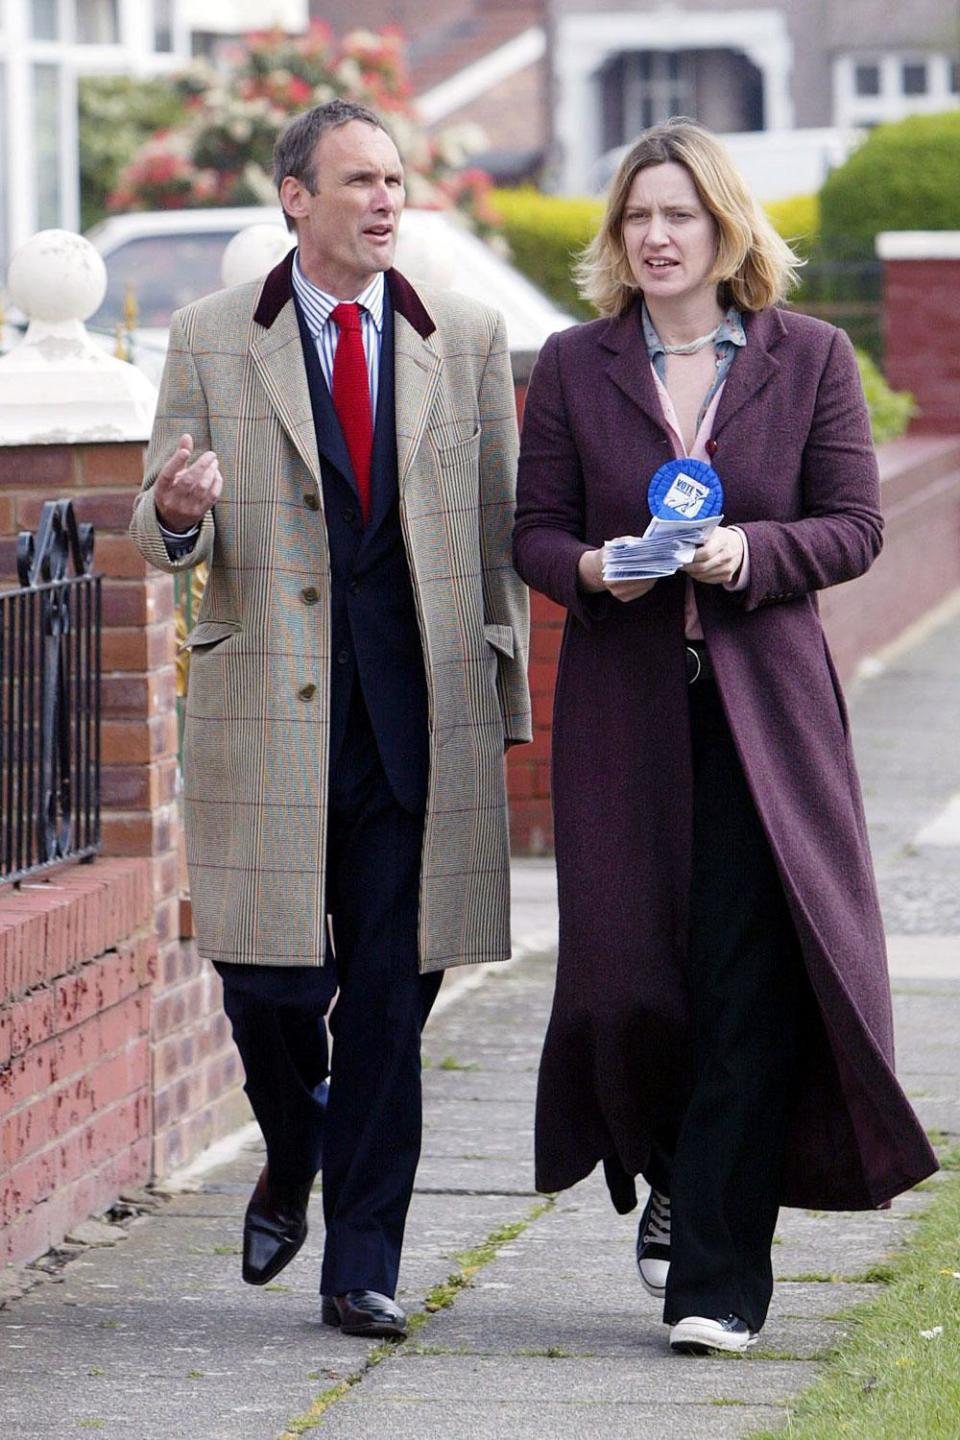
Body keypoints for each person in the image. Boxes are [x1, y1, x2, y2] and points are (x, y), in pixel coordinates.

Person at [512, 117, 936, 1356]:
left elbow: (855, 525)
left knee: (749, 987)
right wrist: (595, 567)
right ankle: (670, 1161)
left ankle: (717, 1283)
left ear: (724, 229)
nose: (654, 235)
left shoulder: (808, 357)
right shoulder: (577, 365)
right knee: (630, 977)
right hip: (625, 721)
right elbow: (533, 531)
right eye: (637, 216)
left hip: (766, 722)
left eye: (678, 215)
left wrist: (752, 551)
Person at [130, 99, 530, 1340]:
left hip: (419, 718)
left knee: (394, 1002)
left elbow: (498, 531)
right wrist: (184, 508)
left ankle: (361, 1262)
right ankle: (290, 1146)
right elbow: (156, 530)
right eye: (359, 180)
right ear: (295, 198)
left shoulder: (462, 336)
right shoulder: (211, 337)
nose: (385, 201)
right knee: (271, 987)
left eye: (396, 181)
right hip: (271, 715)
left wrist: (502, 683)